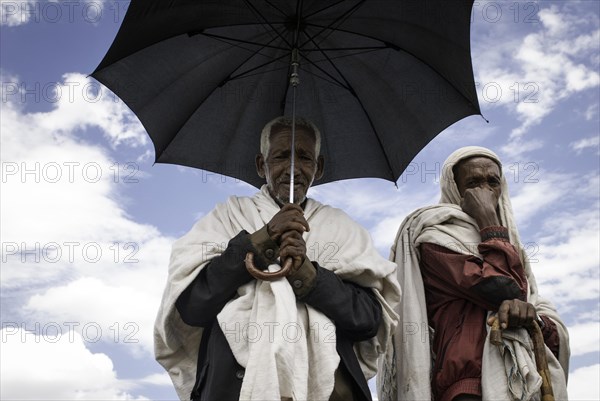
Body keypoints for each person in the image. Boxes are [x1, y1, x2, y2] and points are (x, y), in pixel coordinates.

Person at [154, 116, 401, 401]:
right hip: (234, 387)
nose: (293, 168)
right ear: (262, 165)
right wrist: (264, 239)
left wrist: (306, 273)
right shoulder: (226, 217)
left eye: (305, 157)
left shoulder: (342, 228)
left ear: (318, 168)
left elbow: (367, 320)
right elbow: (192, 305)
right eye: (281, 156)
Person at [378, 146, 569, 401]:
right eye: (473, 183)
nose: (485, 192)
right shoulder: (434, 236)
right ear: (455, 188)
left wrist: (537, 320)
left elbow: (530, 305)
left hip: (522, 383)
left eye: (493, 182)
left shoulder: (513, 247)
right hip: (466, 388)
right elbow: (502, 290)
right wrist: (489, 222)